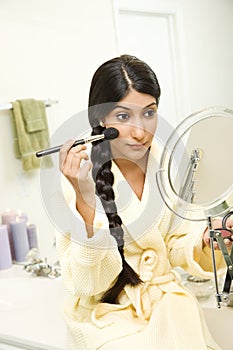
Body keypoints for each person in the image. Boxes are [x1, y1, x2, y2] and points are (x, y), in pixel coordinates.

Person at [56, 54, 232, 350]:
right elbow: (87, 282)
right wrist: (85, 199)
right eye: (123, 117)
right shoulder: (79, 173)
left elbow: (174, 242)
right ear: (101, 117)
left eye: (149, 113)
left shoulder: (168, 162)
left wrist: (204, 240)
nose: (140, 132)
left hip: (164, 302)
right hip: (107, 314)